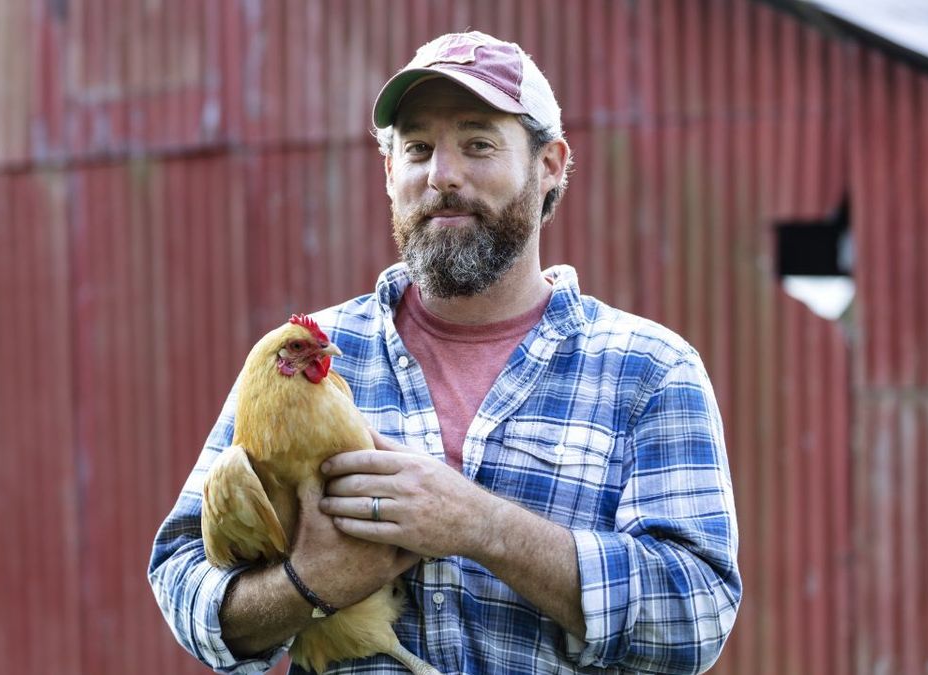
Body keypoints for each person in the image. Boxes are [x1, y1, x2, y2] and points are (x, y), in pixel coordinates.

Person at [149, 30, 740, 674]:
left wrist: (480, 526)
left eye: (478, 144)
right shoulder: (300, 360)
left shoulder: (649, 370)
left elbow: (697, 615)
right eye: (419, 148)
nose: (442, 176)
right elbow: (182, 583)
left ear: (549, 165)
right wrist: (306, 583)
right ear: (389, 172)